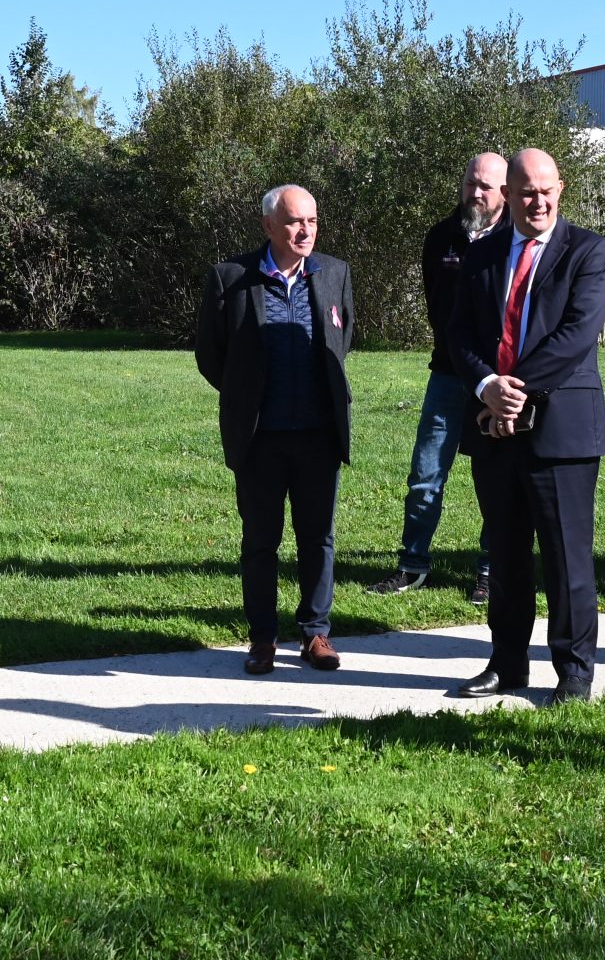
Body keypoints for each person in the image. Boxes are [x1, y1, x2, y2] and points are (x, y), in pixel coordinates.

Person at [450, 149, 605, 702]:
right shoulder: (481, 254)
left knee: (567, 557)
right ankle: (507, 662)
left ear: (560, 189)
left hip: (560, 430)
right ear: (507, 195)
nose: (537, 201)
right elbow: (459, 335)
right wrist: (485, 389)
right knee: (506, 553)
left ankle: (573, 673)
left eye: (546, 191)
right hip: (490, 423)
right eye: (525, 192)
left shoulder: (587, 250)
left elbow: (576, 335)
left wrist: (510, 392)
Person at [196, 185, 356, 674]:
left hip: (317, 434)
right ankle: (262, 639)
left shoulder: (334, 273)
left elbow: (341, 338)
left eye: (311, 220)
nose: (304, 230)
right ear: (268, 226)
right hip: (260, 438)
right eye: (293, 221)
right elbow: (211, 355)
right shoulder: (230, 278)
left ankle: (316, 634)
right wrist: (247, 394)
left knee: (318, 539)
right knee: (260, 542)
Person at [367, 153, 506, 605]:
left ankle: (490, 570)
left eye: (486, 185)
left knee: (497, 477)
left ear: (504, 190)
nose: (477, 193)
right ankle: (412, 566)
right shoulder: (441, 236)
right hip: (447, 373)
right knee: (426, 473)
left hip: (500, 380)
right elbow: (437, 309)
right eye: (471, 183)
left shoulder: (516, 238)